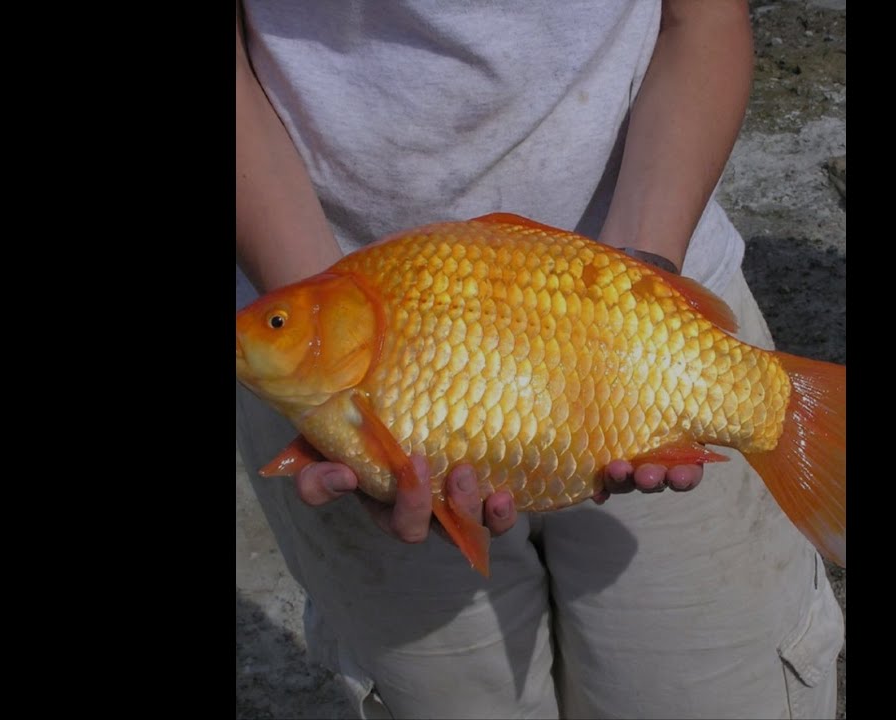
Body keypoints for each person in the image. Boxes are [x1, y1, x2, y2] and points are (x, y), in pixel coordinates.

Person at [235, 1, 845, 717]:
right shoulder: (333, 342)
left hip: (639, 296)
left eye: (277, 325)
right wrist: (298, 296)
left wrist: (642, 271)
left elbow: (703, 21)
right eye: (276, 326)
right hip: (300, 249)